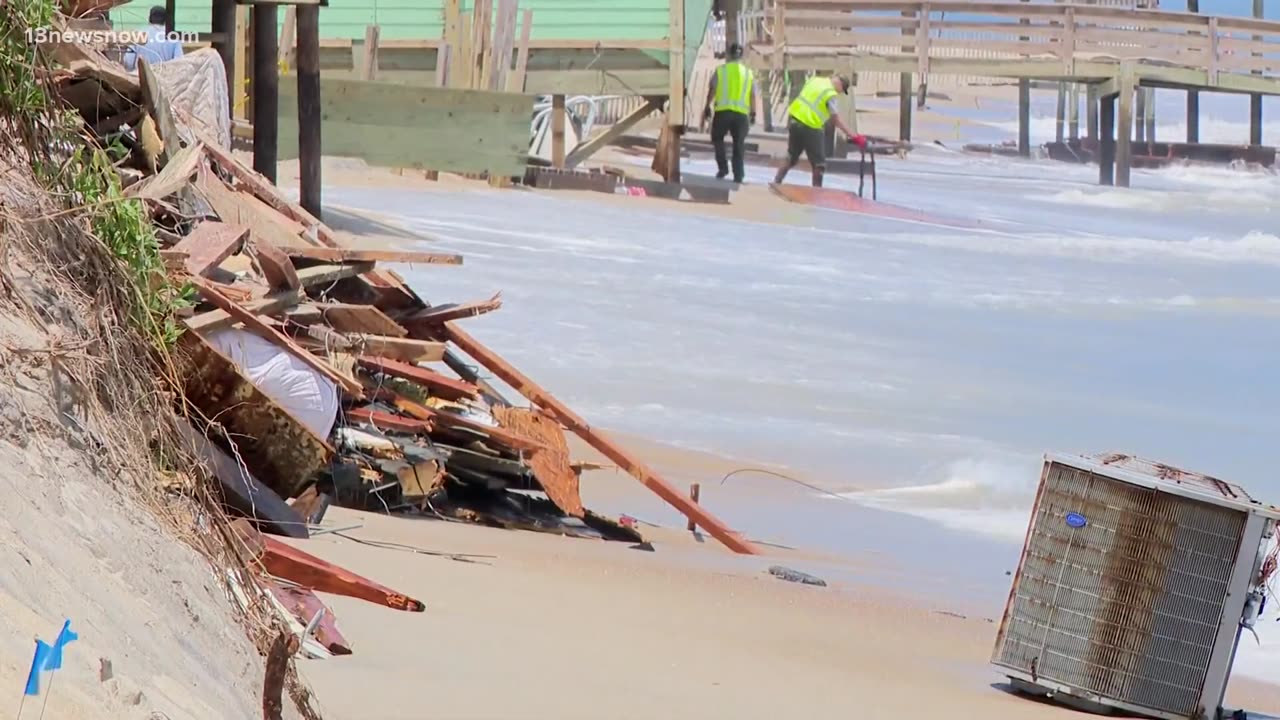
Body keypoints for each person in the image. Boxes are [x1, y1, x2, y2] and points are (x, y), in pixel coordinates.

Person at [773, 75, 867, 188]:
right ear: (840, 85)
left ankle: (776, 182)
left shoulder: (814, 80)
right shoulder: (830, 93)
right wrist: (853, 136)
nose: (839, 93)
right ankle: (817, 191)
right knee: (819, 164)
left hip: (795, 121)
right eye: (842, 91)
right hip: (811, 126)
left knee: (792, 156)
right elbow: (835, 119)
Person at [703, 43, 759, 184]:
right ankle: (738, 175)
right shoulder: (748, 74)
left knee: (717, 139)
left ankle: (723, 168)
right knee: (738, 144)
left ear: (728, 55)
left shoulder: (721, 70)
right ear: (741, 56)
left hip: (723, 112)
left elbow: (712, 90)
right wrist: (753, 112)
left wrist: (707, 106)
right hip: (741, 115)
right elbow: (752, 95)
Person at [123, 6, 184, 72]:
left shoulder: (138, 35)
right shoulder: (173, 37)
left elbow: (129, 62)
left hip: (141, 78)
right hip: (165, 78)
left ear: (149, 19)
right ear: (166, 20)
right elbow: (179, 64)